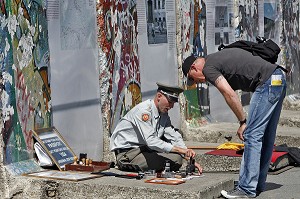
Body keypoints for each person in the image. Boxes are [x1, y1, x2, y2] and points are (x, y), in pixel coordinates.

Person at [182, 48, 286, 198]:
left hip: (267, 82)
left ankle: (246, 188)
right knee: (267, 136)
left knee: (251, 134)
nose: (197, 82)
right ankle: (257, 184)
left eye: (193, 78)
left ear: (194, 68)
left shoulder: (208, 68)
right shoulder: (215, 58)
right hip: (278, 78)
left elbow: (229, 93)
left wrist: (243, 122)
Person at [110, 82, 203, 174]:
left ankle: (155, 166)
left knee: (177, 159)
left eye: (173, 103)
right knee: (166, 161)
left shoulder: (163, 114)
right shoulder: (143, 112)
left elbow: (173, 136)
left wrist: (189, 157)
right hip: (129, 153)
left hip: (145, 150)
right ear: (159, 96)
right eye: (170, 102)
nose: (171, 106)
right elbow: (151, 141)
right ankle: (127, 165)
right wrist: (180, 150)